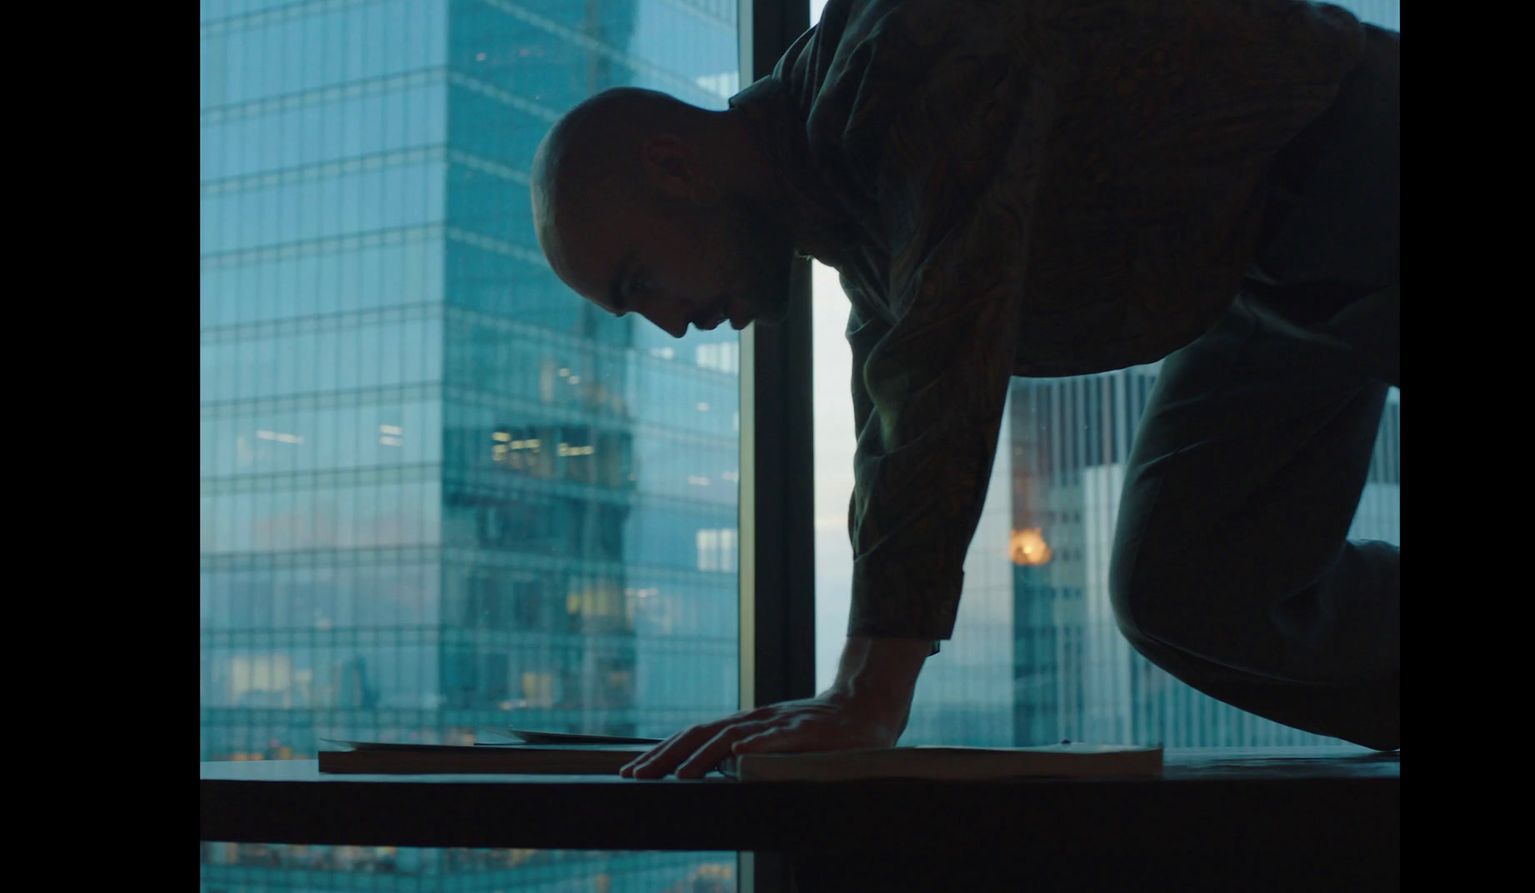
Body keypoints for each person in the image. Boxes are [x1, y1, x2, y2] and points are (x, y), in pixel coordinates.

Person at [529, 0, 1399, 779]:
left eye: (639, 281)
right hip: (1263, 270)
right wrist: (856, 688)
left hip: (1358, 148)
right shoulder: (841, 196)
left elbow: (945, 342)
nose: (668, 324)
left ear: (675, 167)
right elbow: (898, 408)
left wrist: (870, 691)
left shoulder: (900, 48)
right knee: (1187, 588)